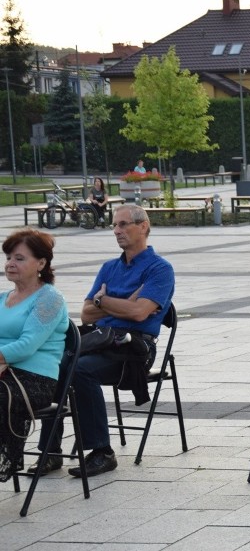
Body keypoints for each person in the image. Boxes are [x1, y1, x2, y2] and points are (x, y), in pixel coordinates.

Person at [33, 204, 175, 478]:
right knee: (54, 363)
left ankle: (102, 452)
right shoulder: (109, 267)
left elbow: (139, 313)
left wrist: (103, 300)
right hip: (99, 341)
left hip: (135, 349)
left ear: (143, 226)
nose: (116, 231)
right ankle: (50, 451)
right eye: (114, 225)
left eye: (123, 225)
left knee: (79, 368)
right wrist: (118, 303)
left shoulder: (160, 269)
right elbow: (86, 314)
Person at [0, 229, 68, 482]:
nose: (9, 263)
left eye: (19, 258)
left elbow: (26, 345)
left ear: (41, 263)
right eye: (8, 257)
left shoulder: (49, 298)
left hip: (34, 380)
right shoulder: (3, 298)